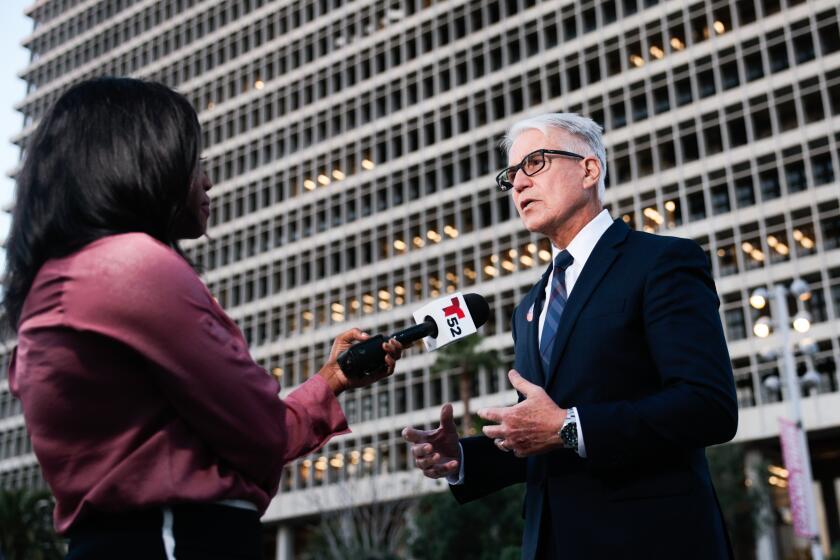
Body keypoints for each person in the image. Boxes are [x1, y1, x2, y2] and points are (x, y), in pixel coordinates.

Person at [4, 77, 402, 559]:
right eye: (194, 163)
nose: (207, 181)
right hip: (178, 538)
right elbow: (262, 431)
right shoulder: (135, 268)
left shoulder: (53, 286)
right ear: (142, 162)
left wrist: (331, 379)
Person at [403, 113, 738, 559]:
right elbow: (539, 435)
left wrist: (568, 427)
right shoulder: (529, 308)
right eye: (511, 175)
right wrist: (462, 459)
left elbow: (708, 406)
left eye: (534, 163)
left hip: (651, 540)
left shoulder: (662, 262)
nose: (518, 183)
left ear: (589, 170)